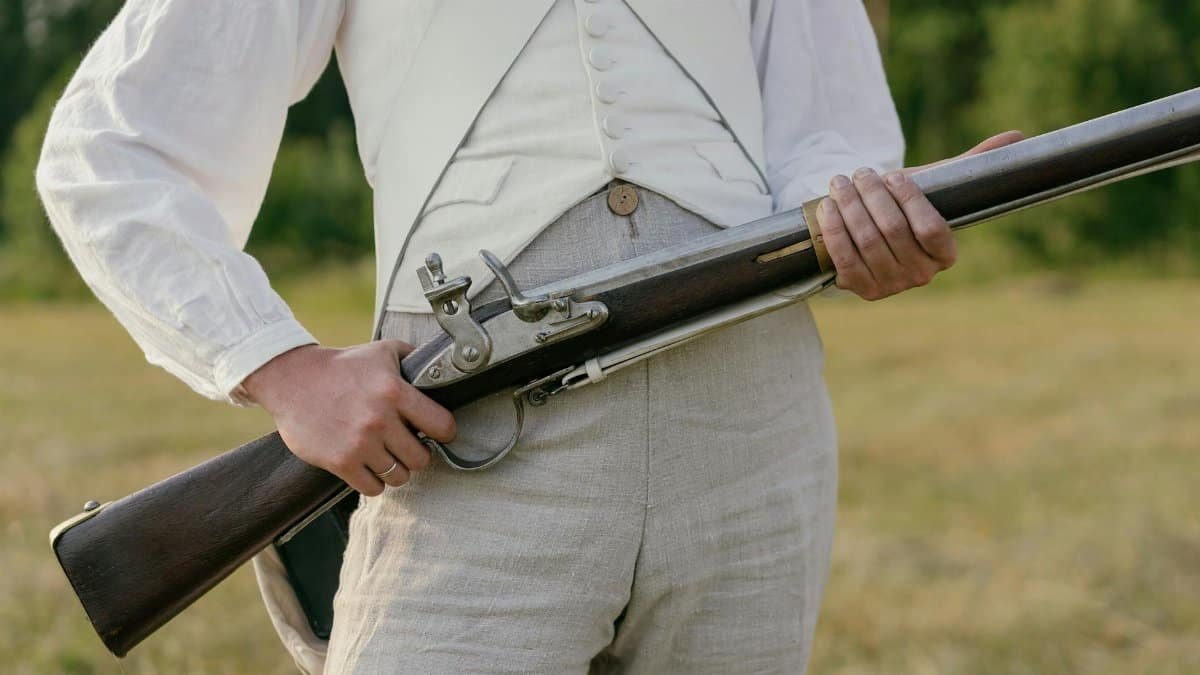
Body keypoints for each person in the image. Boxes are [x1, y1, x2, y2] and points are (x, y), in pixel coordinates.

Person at [37, 1, 1019, 672]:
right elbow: (114, 147)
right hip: (473, 437)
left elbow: (829, 140)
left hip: (753, 427)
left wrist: (863, 210)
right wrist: (285, 371)